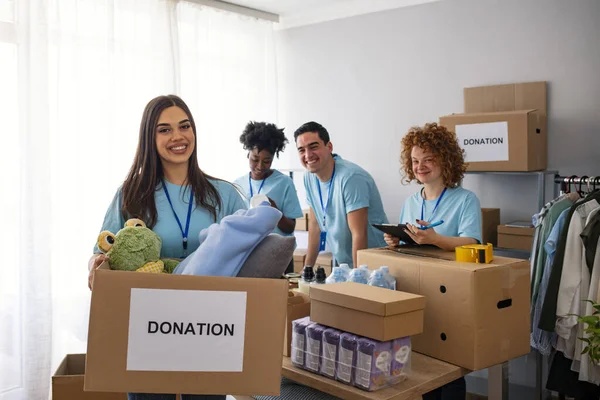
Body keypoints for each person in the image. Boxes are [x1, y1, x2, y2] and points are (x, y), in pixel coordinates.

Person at [88, 94, 246, 400]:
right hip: (148, 330)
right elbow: (102, 249)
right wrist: (96, 263)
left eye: (184, 126)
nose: (178, 136)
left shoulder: (224, 195)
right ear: (150, 137)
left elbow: (248, 255)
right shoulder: (131, 194)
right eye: (164, 129)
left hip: (210, 329)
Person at [385, 122, 482, 400]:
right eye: (415, 161)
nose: (420, 166)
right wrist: (397, 240)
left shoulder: (465, 200)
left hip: (453, 290)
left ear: (446, 160)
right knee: (424, 361)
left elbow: (473, 242)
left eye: (428, 159)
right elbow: (412, 239)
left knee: (449, 365)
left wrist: (435, 238)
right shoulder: (411, 201)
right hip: (419, 287)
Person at [294, 121, 388, 269]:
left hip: (374, 264)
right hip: (344, 264)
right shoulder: (309, 177)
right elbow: (315, 225)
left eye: (313, 147)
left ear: (329, 147)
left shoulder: (350, 177)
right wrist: (307, 270)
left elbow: (359, 233)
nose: (308, 155)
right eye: (301, 150)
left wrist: (358, 278)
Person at [233, 121, 303, 238]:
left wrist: (274, 210)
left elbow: (290, 227)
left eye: (267, 161)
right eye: (255, 159)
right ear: (248, 155)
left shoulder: (284, 183)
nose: (260, 166)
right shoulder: (238, 185)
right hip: (249, 252)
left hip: (278, 251)